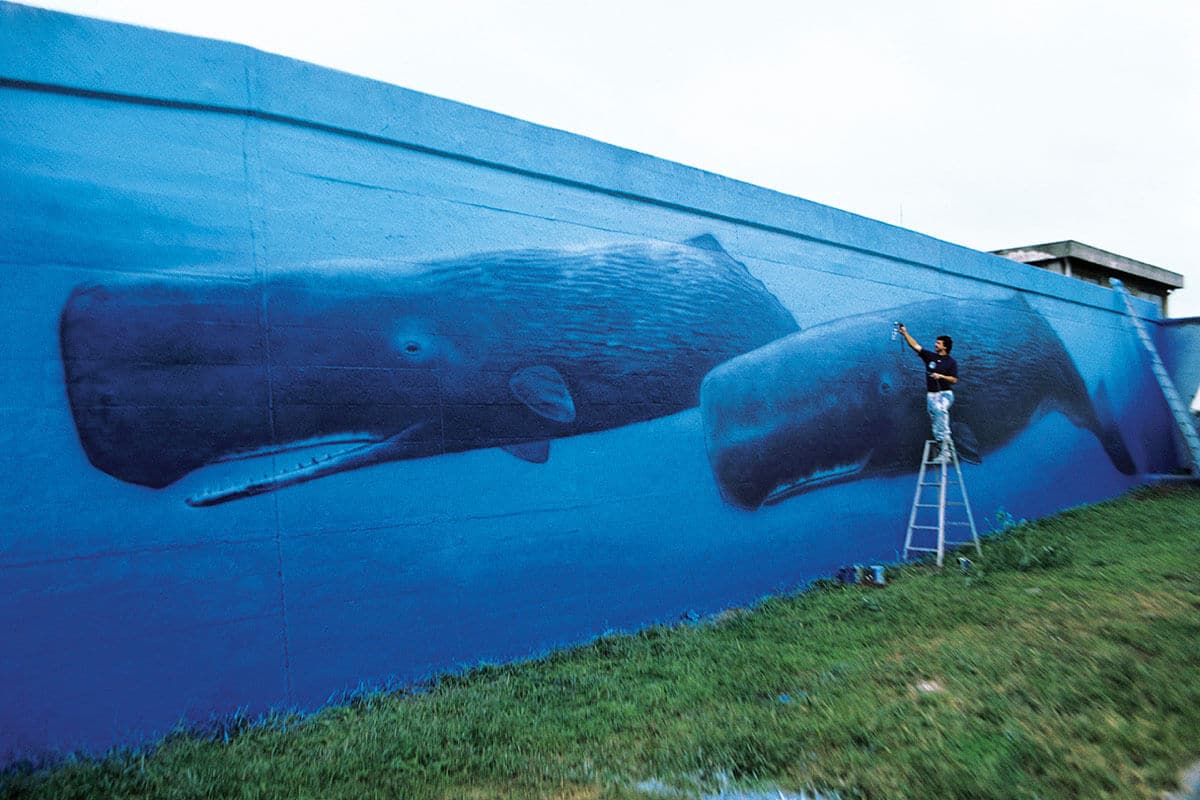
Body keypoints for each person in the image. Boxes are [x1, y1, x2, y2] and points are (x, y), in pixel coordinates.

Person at [896, 323, 958, 463]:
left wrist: (941, 376)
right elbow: (915, 345)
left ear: (945, 347)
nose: (935, 344)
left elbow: (954, 380)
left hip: (945, 394)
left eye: (938, 343)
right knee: (936, 422)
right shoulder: (930, 357)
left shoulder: (951, 362)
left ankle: (946, 451)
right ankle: (944, 449)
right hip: (931, 395)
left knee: (940, 411)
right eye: (936, 342)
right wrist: (905, 333)